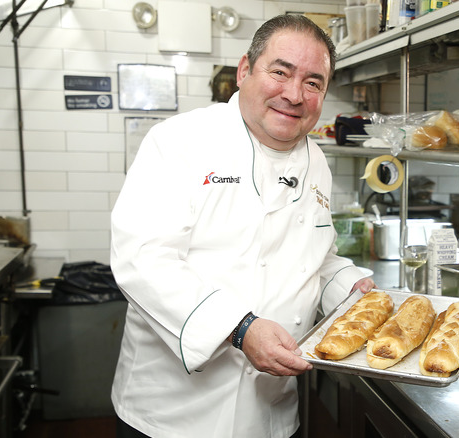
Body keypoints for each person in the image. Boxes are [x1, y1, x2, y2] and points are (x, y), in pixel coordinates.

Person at [109, 14, 375, 438]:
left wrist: (351, 289)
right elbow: (142, 260)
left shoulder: (317, 163)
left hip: (270, 411)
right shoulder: (178, 141)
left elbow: (315, 261)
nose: (294, 94)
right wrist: (241, 328)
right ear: (245, 70)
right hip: (173, 414)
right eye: (280, 72)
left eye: (313, 82)